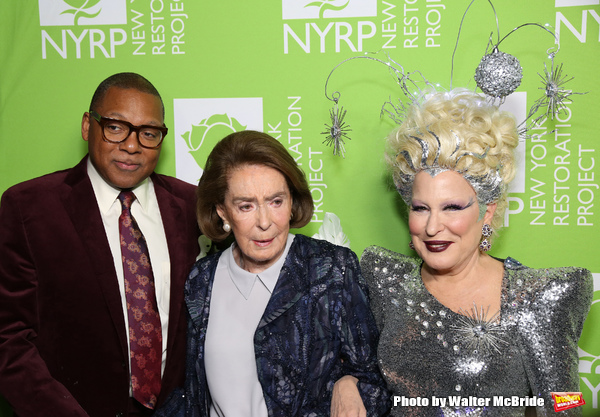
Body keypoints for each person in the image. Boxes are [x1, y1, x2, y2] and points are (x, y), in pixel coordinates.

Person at [357, 89, 593, 416]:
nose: (432, 226)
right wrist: (345, 381)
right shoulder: (383, 279)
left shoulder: (539, 298)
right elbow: (354, 366)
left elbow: (565, 405)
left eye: (452, 207)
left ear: (487, 212)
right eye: (421, 208)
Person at [0, 73, 200, 416]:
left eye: (148, 133)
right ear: (86, 126)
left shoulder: (191, 205)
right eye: (116, 127)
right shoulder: (28, 208)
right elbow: (9, 339)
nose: (132, 145)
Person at [155, 130, 390, 417]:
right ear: (222, 212)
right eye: (245, 206)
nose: (264, 222)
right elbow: (191, 395)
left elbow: (375, 383)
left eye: (276, 201)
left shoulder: (332, 270)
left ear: (292, 202)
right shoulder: (201, 280)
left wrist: (349, 382)